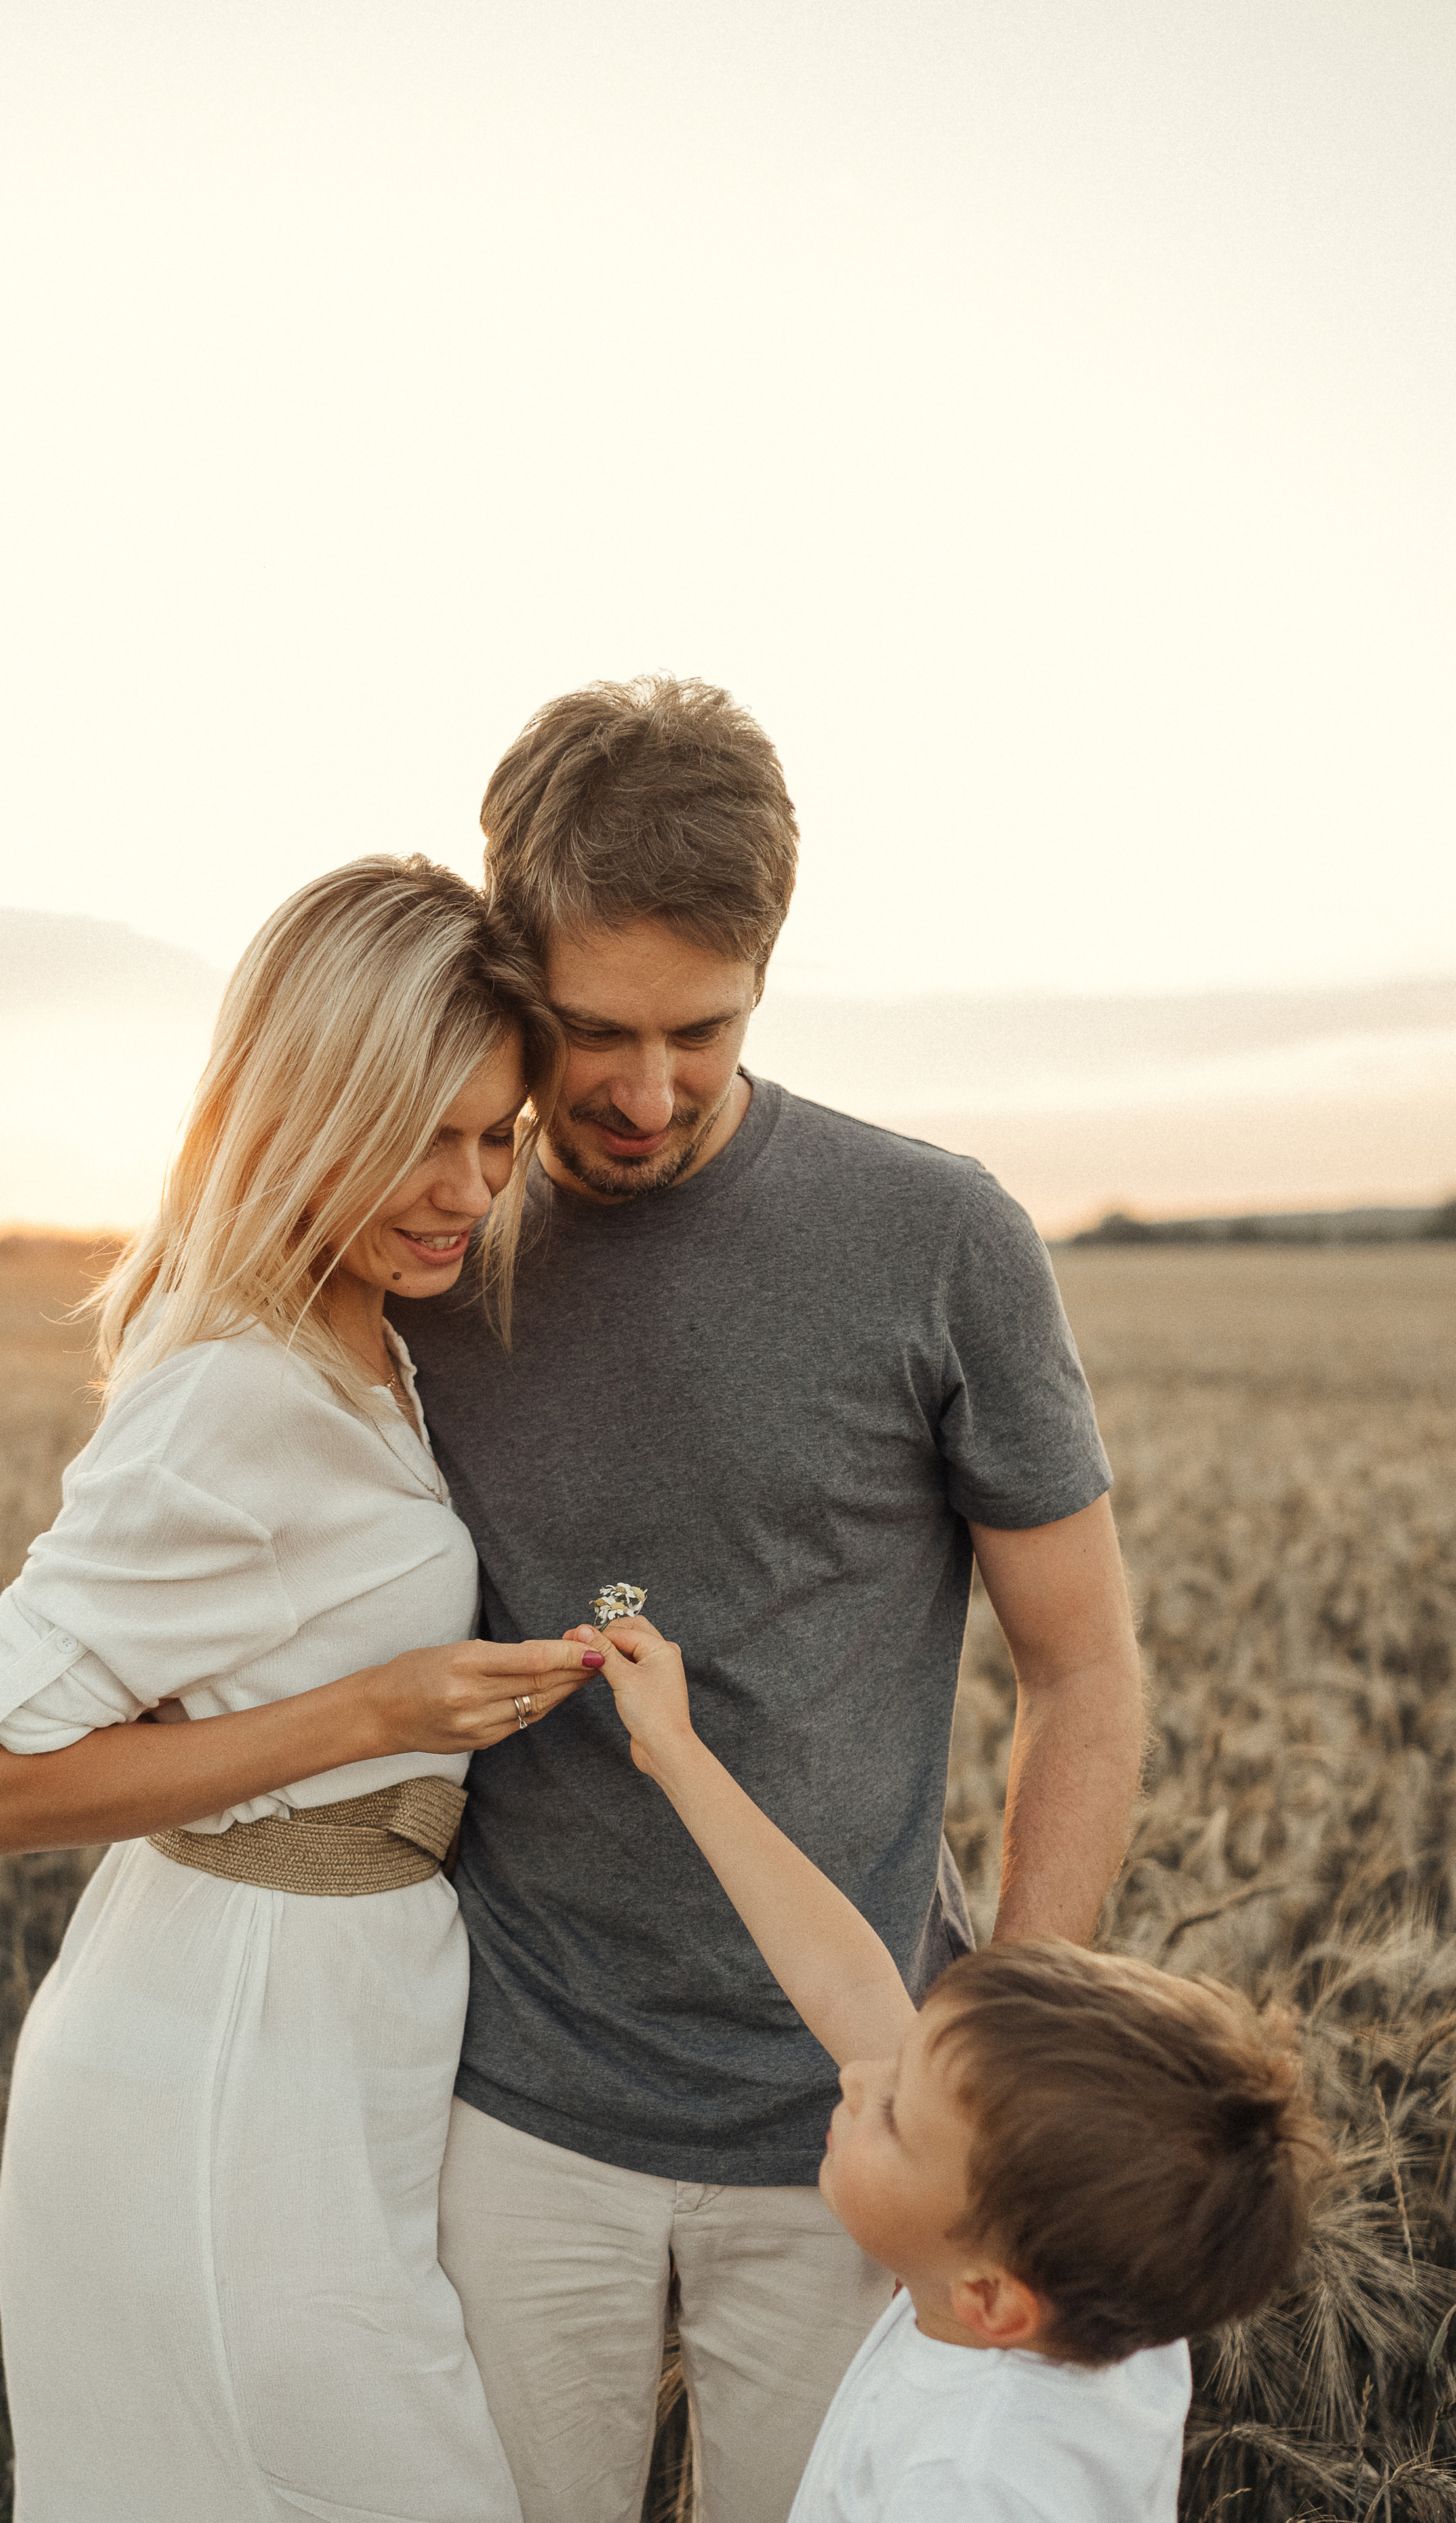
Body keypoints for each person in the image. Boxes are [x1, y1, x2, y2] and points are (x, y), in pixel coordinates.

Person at [399, 677, 1149, 2523]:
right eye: (592, 1033)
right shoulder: (424, 1236)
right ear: (509, 965)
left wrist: (1003, 2061)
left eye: (704, 1028)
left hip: (858, 2124)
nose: (647, 1090)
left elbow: (1088, 1667)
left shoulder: (935, 1236)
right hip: (512, 2104)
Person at [0, 858, 605, 2523]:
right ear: (304, 1109)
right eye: (419, 1135)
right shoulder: (232, 1384)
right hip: (214, 2065)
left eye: (494, 1136)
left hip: (335, 2040)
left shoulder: (370, 1337)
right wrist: (376, 1715)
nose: (465, 1188)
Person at [587, 1607, 1327, 2523]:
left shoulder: (976, 2483)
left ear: (992, 2297)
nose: (859, 2077)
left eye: (894, 2113)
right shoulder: (1091, 2296)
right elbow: (844, 1980)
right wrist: (674, 1750)